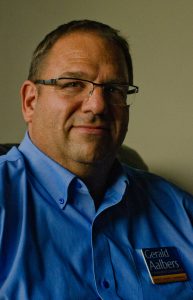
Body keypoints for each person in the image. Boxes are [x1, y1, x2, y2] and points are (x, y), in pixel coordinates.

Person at [0, 20, 193, 300]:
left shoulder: (181, 211)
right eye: (74, 84)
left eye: (114, 89)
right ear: (31, 101)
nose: (98, 105)